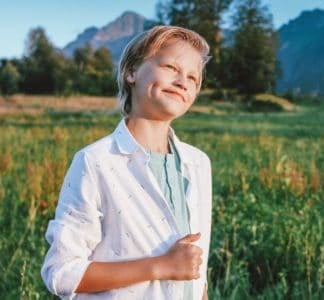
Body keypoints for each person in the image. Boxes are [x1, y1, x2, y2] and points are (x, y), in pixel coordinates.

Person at [41, 25, 212, 300]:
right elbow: (61, 273)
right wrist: (162, 266)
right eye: (170, 67)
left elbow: (194, 267)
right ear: (131, 72)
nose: (183, 81)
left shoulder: (199, 164)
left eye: (193, 77)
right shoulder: (94, 161)